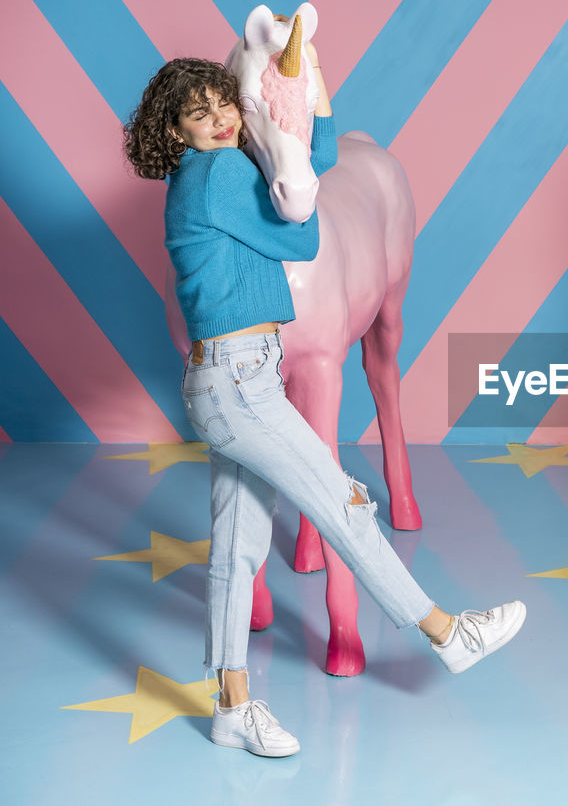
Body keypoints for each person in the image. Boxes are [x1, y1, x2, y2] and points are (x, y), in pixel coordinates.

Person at [123, 50, 525, 758]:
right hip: (242, 384)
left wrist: (318, 99)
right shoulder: (217, 174)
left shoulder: (204, 176)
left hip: (230, 379)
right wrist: (300, 136)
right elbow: (303, 226)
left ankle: (232, 706)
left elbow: (314, 160)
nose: (218, 118)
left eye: (224, 103)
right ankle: (444, 631)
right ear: (176, 130)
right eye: (199, 112)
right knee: (342, 502)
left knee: (237, 549)